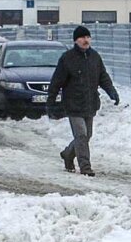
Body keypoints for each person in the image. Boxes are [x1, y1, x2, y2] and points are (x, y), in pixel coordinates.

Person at [47, 25, 119, 177]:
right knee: (81, 135)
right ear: (76, 40)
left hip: (90, 103)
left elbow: (103, 77)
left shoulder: (95, 57)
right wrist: (51, 101)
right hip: (73, 104)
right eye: (82, 38)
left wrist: (112, 91)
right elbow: (56, 81)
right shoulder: (68, 58)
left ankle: (68, 154)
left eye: (87, 37)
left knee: (87, 136)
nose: (85, 40)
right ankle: (85, 166)